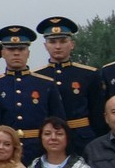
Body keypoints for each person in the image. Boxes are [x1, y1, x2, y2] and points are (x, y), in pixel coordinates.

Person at [36, 17, 104, 149]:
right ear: (45, 46)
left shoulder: (89, 75)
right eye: (52, 42)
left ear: (72, 44)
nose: (58, 46)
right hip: (50, 141)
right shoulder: (38, 76)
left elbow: (97, 113)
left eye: (63, 41)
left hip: (82, 139)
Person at [0, 27, 63, 139]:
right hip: (4, 149)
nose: (16, 53)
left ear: (28, 53)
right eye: (11, 49)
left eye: (21, 49)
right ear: (2, 53)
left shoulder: (46, 84)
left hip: (38, 148)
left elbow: (58, 122)